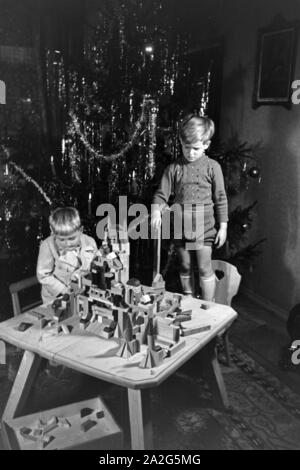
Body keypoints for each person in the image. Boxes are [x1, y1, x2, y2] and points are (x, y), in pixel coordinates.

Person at [151, 114, 228, 301]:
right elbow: (161, 194)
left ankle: (208, 304)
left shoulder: (213, 167)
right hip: (180, 227)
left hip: (204, 226)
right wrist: (156, 211)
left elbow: (220, 198)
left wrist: (223, 226)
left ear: (206, 145)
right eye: (186, 147)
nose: (191, 153)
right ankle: (190, 299)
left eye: (196, 148)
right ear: (180, 142)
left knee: (203, 267)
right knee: (185, 265)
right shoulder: (174, 168)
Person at [37, 207, 98, 304]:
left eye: (72, 238)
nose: (68, 244)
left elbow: (93, 265)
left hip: (83, 293)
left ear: (81, 230)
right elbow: (43, 276)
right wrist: (64, 290)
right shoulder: (47, 246)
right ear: (53, 233)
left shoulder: (89, 242)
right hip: (56, 297)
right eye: (61, 240)